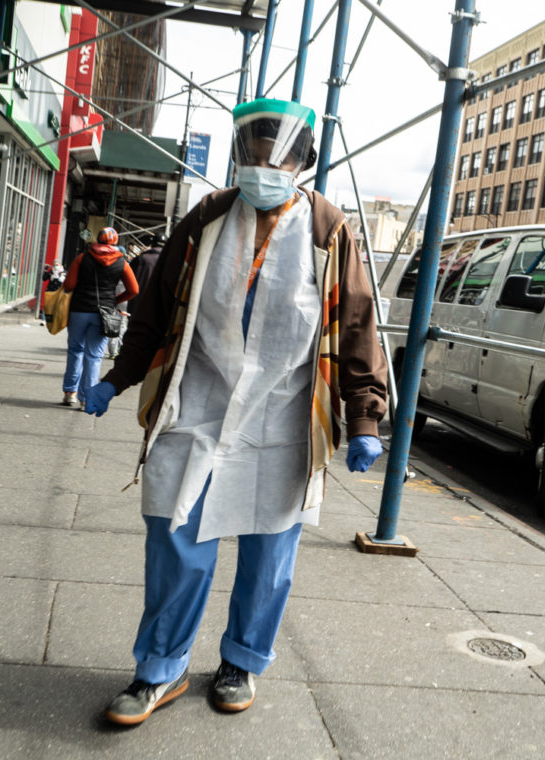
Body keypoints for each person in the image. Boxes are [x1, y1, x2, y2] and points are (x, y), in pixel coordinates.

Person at [84, 98, 387, 724]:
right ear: (239, 152)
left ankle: (241, 661)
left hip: (283, 417)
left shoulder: (329, 230)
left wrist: (363, 418)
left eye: (276, 154)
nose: (263, 164)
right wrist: (117, 378)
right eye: (253, 151)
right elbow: (156, 309)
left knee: (269, 556)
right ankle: (158, 671)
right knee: (174, 536)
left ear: (302, 161)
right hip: (199, 402)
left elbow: (357, 328)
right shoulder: (207, 219)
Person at [61, 227, 138, 408]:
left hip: (79, 310)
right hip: (104, 314)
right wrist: (115, 300)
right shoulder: (122, 263)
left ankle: (69, 393)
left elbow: (69, 285)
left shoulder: (82, 258)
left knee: (75, 350)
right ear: (115, 242)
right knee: (94, 356)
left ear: (98, 239)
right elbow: (134, 290)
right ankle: (86, 399)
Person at [127, 233, 164, 317]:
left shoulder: (141, 258)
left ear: (152, 243)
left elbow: (127, 277)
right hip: (156, 308)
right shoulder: (169, 261)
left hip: (137, 304)